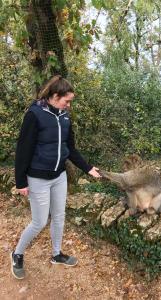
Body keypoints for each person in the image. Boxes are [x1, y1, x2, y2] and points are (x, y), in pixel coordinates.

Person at [11, 75, 101, 280]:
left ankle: (56, 254)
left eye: (70, 102)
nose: (69, 105)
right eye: (66, 101)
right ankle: (17, 254)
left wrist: (87, 168)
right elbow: (23, 149)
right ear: (54, 95)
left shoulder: (65, 117)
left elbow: (71, 148)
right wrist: (21, 181)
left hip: (59, 176)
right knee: (39, 221)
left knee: (59, 217)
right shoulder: (34, 115)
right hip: (38, 178)